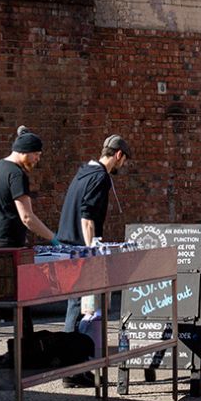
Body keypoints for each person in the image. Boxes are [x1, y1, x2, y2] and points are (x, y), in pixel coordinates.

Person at [0, 126, 60, 370]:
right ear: (25, 152)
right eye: (37, 155)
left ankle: (25, 351)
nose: (38, 159)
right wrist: (54, 238)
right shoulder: (17, 174)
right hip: (8, 247)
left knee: (21, 299)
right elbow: (27, 217)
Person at [55, 135, 130, 388]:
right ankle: (71, 369)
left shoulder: (84, 172)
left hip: (68, 246)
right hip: (80, 250)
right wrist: (91, 253)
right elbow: (87, 217)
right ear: (118, 155)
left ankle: (76, 366)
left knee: (77, 306)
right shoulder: (100, 177)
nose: (123, 166)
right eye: (124, 160)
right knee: (77, 308)